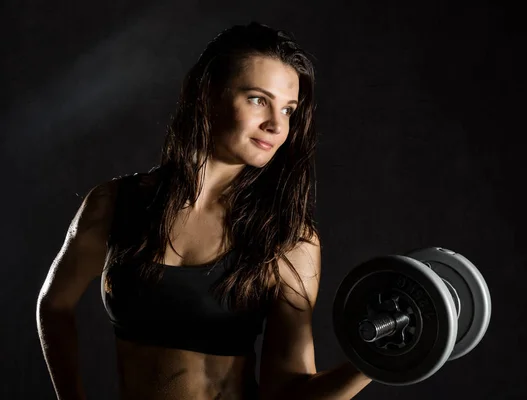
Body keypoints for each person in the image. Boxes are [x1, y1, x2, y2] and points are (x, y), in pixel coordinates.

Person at [36, 22, 372, 400]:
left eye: (289, 109)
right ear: (206, 94)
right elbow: (54, 304)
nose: (277, 125)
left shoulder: (288, 239)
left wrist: (374, 362)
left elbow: (288, 392)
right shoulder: (114, 203)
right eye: (258, 99)